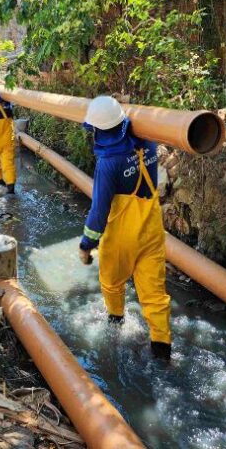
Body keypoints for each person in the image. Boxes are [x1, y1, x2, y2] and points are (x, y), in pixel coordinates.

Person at [78, 95, 172, 360]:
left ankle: (116, 322)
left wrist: (87, 244)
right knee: (155, 296)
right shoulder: (149, 143)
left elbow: (99, 211)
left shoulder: (108, 163)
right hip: (152, 231)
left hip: (121, 237)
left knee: (111, 283)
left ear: (97, 130)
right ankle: (162, 353)